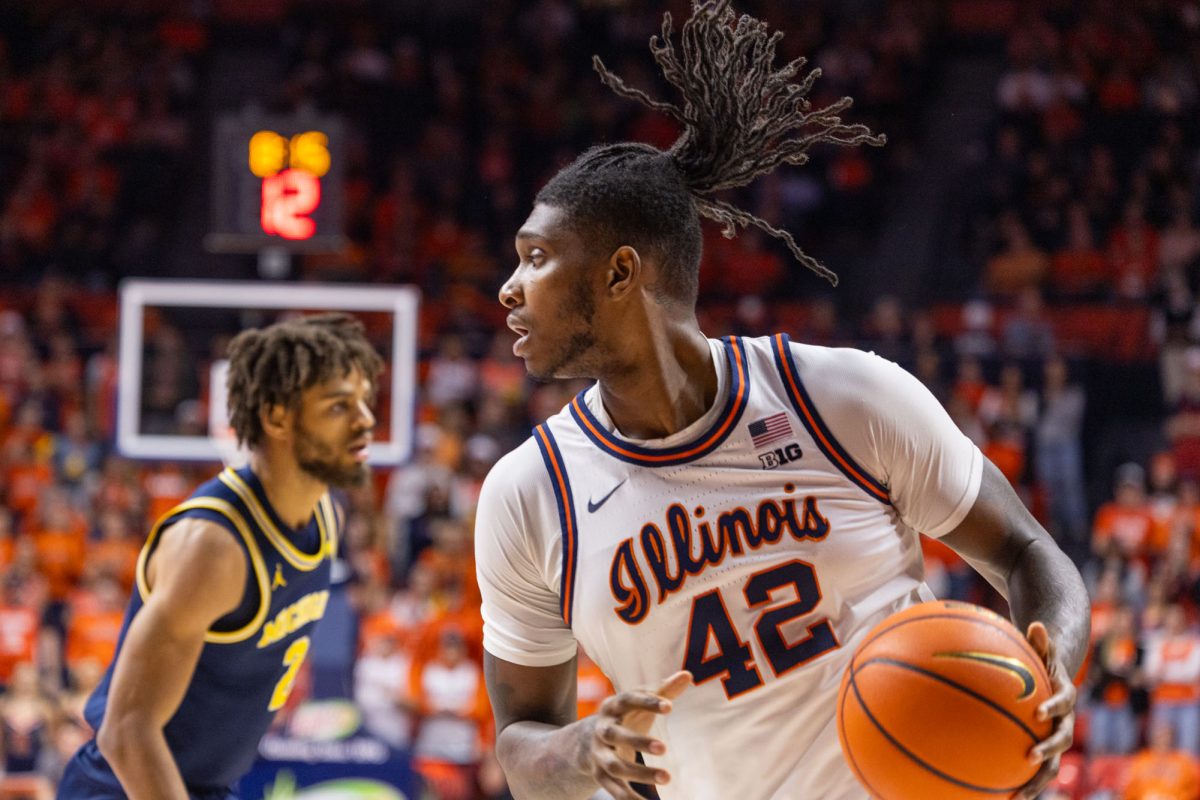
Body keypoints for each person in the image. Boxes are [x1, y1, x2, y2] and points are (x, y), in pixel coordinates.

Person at [473, 3, 1090, 799]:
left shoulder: (841, 397)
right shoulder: (529, 495)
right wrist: (580, 748)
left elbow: (1027, 552)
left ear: (621, 274)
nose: (508, 288)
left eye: (535, 258)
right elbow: (520, 741)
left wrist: (1048, 669)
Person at [58, 313, 383, 799]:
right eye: (339, 406)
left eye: (364, 400)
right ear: (277, 417)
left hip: (204, 784)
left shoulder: (324, 517)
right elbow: (126, 730)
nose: (366, 420)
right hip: (124, 786)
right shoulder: (214, 547)